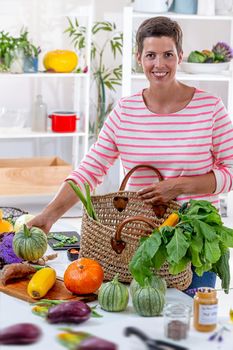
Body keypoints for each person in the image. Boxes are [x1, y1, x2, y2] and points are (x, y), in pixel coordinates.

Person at [29, 16, 233, 294]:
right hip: (140, 245)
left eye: (168, 55)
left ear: (180, 56)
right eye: (150, 55)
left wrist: (178, 186)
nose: (159, 64)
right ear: (139, 58)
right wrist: (49, 215)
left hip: (194, 243)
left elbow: (230, 171)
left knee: (188, 326)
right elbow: (89, 171)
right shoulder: (125, 112)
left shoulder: (210, 108)